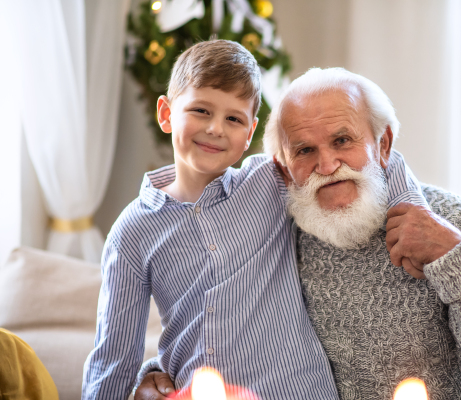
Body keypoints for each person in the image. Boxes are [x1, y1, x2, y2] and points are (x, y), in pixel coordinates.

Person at [136, 68, 461, 400]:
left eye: (342, 140)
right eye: (305, 150)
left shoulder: (450, 220)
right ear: (283, 167)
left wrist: (455, 254)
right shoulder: (280, 230)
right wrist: (162, 372)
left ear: (383, 144)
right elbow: (226, 324)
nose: (327, 164)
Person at [81, 40, 342, 399]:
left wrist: (413, 205)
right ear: (167, 113)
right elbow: (113, 357)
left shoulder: (271, 182)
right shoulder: (131, 233)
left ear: (249, 133)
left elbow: (374, 161)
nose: (216, 128)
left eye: (233, 118)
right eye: (201, 111)